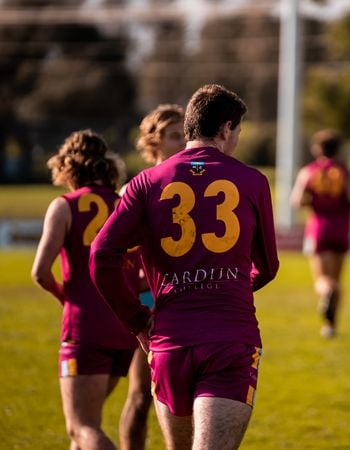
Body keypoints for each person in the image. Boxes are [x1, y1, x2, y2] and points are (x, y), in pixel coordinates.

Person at [90, 84, 279, 450]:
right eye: (237, 131)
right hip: (228, 336)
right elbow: (268, 266)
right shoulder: (252, 181)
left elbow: (101, 255)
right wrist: (230, 285)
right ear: (226, 129)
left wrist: (136, 321)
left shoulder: (145, 182)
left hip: (169, 339)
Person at [31, 130, 138, 450]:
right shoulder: (125, 205)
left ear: (66, 166)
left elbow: (40, 272)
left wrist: (66, 297)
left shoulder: (65, 205)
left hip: (86, 328)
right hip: (124, 328)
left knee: (82, 427)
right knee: (80, 431)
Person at [118, 103, 186, 450]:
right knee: (142, 394)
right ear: (153, 141)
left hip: (179, 301)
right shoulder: (135, 189)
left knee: (175, 398)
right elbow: (110, 253)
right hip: (144, 301)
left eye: (186, 135)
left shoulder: (194, 186)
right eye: (175, 135)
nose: (183, 142)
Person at [290, 129, 350, 338]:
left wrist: (316, 200)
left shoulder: (309, 171)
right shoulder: (345, 171)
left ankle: (326, 295)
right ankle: (330, 326)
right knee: (337, 280)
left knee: (322, 280)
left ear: (317, 149)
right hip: (341, 228)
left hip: (318, 228)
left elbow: (297, 200)